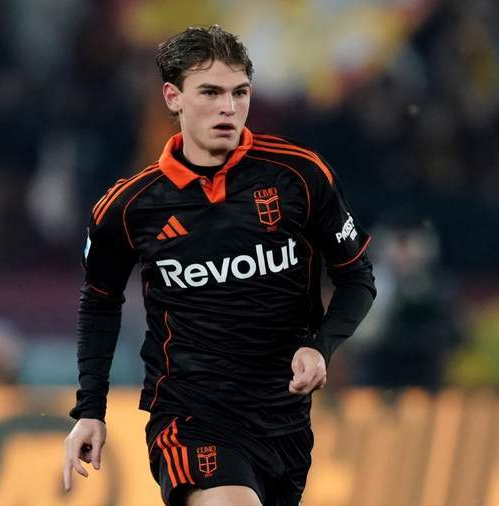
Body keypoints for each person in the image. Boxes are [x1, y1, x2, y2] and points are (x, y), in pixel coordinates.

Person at [63, 25, 376, 506]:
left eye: (240, 92)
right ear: (173, 97)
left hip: (284, 421)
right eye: (210, 92)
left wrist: (321, 347)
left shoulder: (299, 175)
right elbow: (100, 302)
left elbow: (357, 278)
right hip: (189, 415)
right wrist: (90, 409)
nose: (228, 107)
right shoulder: (130, 206)